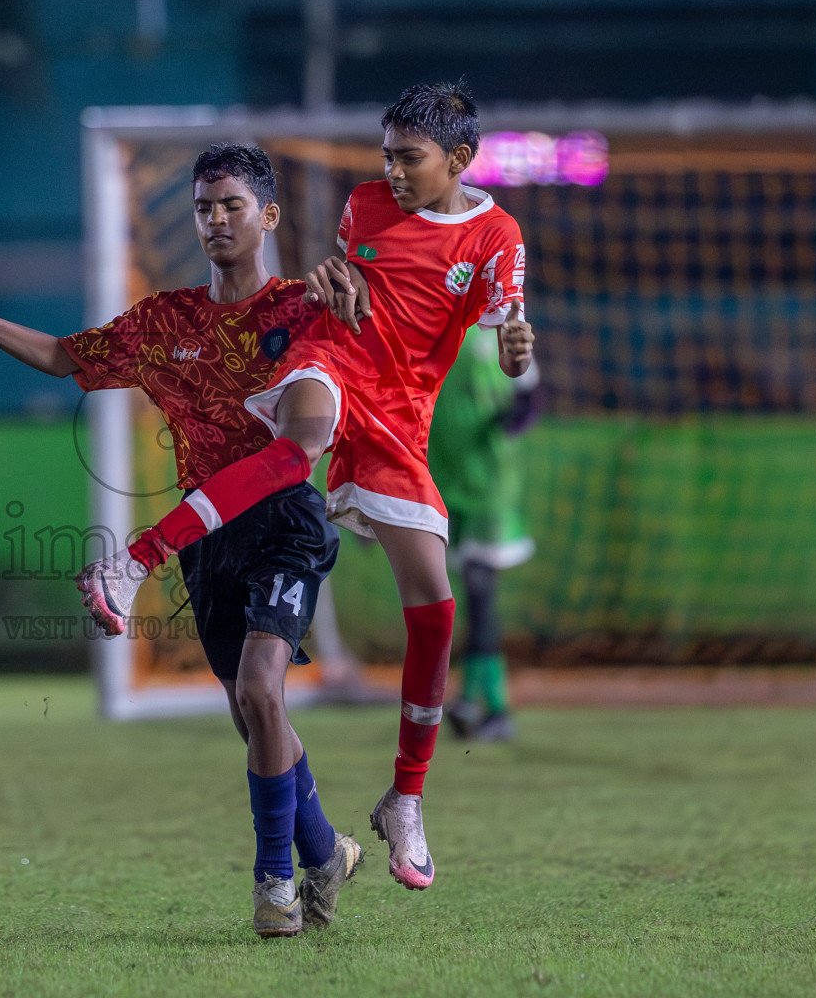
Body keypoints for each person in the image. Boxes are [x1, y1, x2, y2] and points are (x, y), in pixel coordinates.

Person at [76, 81, 535, 894]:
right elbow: (349, 293)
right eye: (385, 154)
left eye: (409, 158)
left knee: (434, 604)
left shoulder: (498, 238)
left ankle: (405, 797)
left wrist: (518, 350)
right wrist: (329, 287)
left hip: (403, 414)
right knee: (299, 444)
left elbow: (507, 350)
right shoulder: (362, 206)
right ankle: (134, 562)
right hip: (334, 364)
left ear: (459, 160)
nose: (390, 171)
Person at [0, 144, 360, 938]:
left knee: (264, 693)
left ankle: (274, 884)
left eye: (232, 204)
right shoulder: (165, 322)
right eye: (203, 206)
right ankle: (324, 849)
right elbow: (67, 358)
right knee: (249, 713)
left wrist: (358, 282)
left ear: (266, 216)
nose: (216, 219)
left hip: (284, 525)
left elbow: (312, 427)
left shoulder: (304, 310)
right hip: (207, 538)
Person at [428, 329, 540, 743]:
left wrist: (507, 425)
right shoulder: (431, 326)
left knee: (479, 586)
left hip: (491, 484)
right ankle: (479, 702)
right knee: (457, 593)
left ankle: (488, 702)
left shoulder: (500, 329)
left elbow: (530, 395)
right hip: (444, 478)